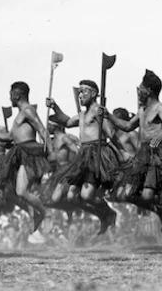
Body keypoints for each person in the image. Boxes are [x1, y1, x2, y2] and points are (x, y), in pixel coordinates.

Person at [103, 69, 162, 230]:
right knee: (127, 194)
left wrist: (160, 135)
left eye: (140, 89)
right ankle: (160, 211)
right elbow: (126, 126)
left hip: (155, 153)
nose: (138, 92)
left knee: (147, 195)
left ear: (148, 91)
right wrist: (108, 115)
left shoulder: (159, 107)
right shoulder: (142, 111)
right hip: (141, 154)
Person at [45, 79, 119, 233]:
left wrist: (106, 116)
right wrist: (55, 106)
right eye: (79, 92)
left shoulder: (99, 111)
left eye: (83, 92)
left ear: (93, 93)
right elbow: (67, 122)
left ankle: (109, 213)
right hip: (83, 156)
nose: (80, 95)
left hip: (95, 154)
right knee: (72, 196)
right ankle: (103, 216)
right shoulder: (82, 114)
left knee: (86, 195)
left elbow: (110, 133)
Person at [0, 81, 52, 232]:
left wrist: (51, 154)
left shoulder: (28, 111)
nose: (9, 98)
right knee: (14, 190)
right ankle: (37, 214)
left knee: (21, 191)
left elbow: (42, 130)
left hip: (30, 153)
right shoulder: (21, 113)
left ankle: (46, 214)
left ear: (16, 95)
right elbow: (9, 138)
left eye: (10, 95)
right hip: (19, 153)